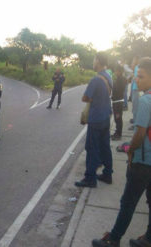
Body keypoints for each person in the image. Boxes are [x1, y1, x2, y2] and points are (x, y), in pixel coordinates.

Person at [92, 57, 151, 247]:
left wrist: (130, 150)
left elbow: (140, 134)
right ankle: (148, 238)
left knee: (128, 203)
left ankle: (114, 239)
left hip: (142, 162)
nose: (136, 80)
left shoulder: (145, 101)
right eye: (135, 76)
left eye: (140, 77)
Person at [75, 52, 113, 188]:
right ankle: (108, 174)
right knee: (105, 146)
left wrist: (92, 98)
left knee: (91, 148)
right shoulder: (108, 76)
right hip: (106, 116)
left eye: (94, 59)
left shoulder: (96, 79)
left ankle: (90, 178)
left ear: (98, 61)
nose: (93, 62)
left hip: (96, 118)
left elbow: (85, 98)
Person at [111, 64, 127, 141]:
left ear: (120, 71)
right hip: (116, 101)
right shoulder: (119, 78)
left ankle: (118, 134)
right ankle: (117, 132)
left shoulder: (121, 79)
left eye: (116, 71)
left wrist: (114, 82)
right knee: (116, 118)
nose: (115, 72)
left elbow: (118, 90)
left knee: (118, 118)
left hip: (118, 102)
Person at [129, 56, 141, 131]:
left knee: (135, 107)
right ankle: (135, 120)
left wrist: (133, 77)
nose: (131, 64)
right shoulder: (136, 68)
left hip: (136, 90)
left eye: (133, 62)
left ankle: (135, 124)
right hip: (135, 89)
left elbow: (136, 79)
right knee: (135, 107)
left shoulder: (136, 68)